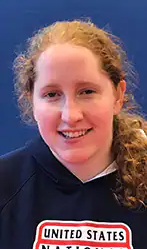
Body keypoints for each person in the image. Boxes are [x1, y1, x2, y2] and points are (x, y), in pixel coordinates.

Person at [0, 19, 147, 249]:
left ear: (118, 95)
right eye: (51, 95)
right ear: (32, 102)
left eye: (87, 91)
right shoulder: (5, 184)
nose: (70, 115)